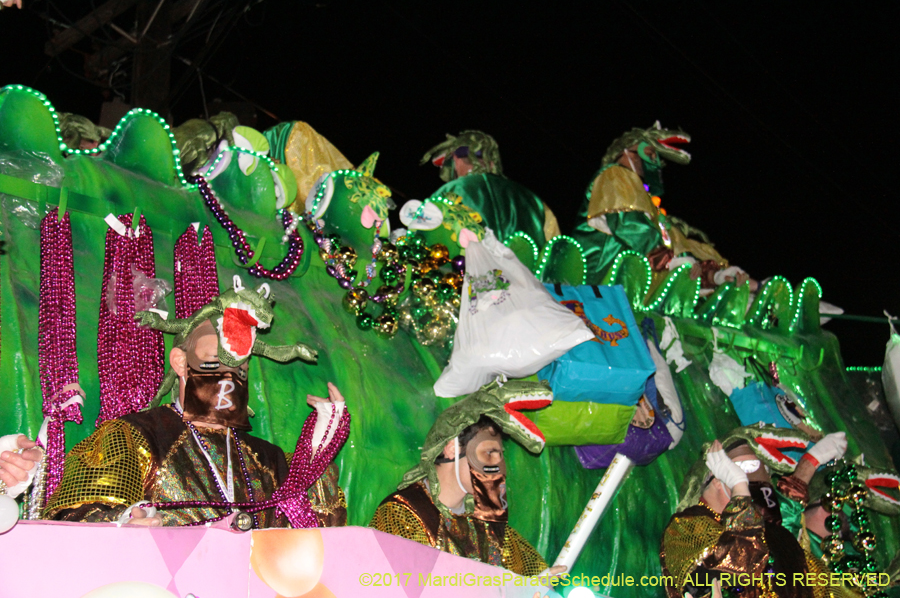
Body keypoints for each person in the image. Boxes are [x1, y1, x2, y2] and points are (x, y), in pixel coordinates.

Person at [43, 281, 349, 528]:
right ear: (180, 362)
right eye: (213, 362)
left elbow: (318, 537)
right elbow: (74, 517)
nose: (227, 379)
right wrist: (126, 524)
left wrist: (318, 453)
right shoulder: (133, 436)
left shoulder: (268, 460)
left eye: (239, 370)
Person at [370, 378, 565, 578]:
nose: (498, 468)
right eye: (489, 453)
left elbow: (529, 574)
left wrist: (538, 584)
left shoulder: (487, 522)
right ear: (452, 449)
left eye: (501, 455)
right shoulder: (402, 513)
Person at [660, 427, 848, 598]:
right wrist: (739, 490)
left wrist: (810, 463)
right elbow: (735, 566)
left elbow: (822, 586)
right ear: (716, 479)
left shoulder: (774, 535)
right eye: (743, 470)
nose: (754, 480)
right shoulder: (686, 527)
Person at [420, 130, 560, 251]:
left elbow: (424, 241)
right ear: (492, 162)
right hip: (525, 281)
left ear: (456, 160)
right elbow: (555, 252)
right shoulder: (534, 201)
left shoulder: (449, 192)